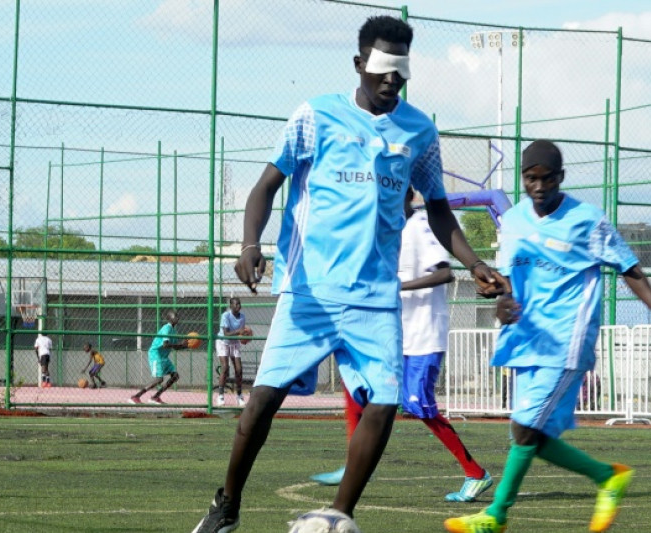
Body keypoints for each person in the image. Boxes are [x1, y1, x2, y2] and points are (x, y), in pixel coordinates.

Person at [191, 15, 507, 533]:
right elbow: (264, 188)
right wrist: (251, 246)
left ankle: (338, 516)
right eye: (382, 69)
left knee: (385, 403)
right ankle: (226, 507)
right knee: (261, 404)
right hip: (308, 292)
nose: (391, 81)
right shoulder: (315, 117)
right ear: (359, 64)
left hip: (374, 297)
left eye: (400, 73)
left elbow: (439, 209)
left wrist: (475, 265)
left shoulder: (420, 132)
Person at [444, 140, 651, 533]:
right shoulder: (515, 221)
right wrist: (500, 302)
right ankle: (608, 476)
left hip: (567, 338)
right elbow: (507, 283)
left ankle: (495, 516)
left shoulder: (587, 220)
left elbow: (629, 267)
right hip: (525, 338)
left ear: (561, 177)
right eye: (530, 178)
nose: (538, 186)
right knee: (528, 434)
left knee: (525, 428)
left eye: (547, 178)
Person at [310, 187, 493, 503]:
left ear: (405, 193)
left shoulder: (422, 225)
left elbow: (446, 274)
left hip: (425, 334)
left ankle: (476, 474)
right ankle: (354, 459)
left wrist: (398, 286)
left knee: (417, 404)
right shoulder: (384, 229)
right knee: (354, 379)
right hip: (396, 334)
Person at [129, 310, 187, 404]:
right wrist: (180, 344)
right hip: (156, 354)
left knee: (175, 376)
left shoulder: (173, 330)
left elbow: (174, 346)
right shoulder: (166, 328)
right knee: (159, 379)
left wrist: (184, 346)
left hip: (164, 356)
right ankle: (135, 397)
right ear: (169, 318)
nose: (177, 317)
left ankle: (155, 397)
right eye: (174, 316)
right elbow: (165, 344)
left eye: (177, 316)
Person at [215, 297, 248, 407]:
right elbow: (226, 333)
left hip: (234, 343)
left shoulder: (242, 317)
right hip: (223, 342)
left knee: (239, 370)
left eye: (239, 304)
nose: (239, 306)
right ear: (231, 306)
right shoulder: (225, 316)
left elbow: (241, 334)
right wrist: (239, 331)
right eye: (236, 304)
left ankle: (239, 396)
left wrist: (246, 336)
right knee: (225, 368)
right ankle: (220, 396)